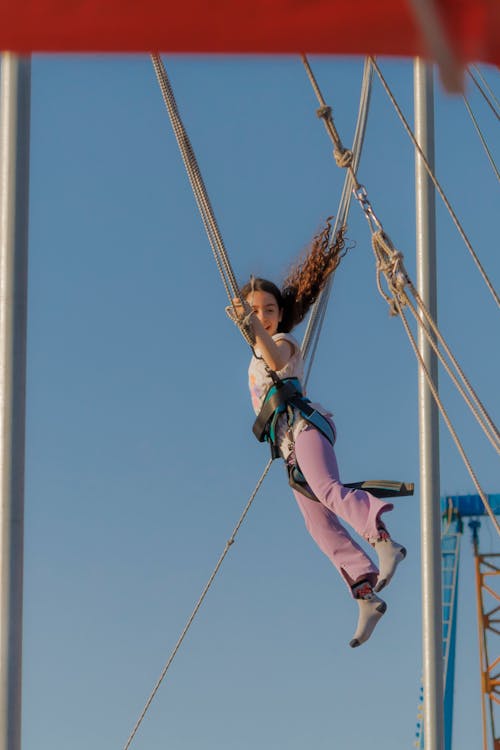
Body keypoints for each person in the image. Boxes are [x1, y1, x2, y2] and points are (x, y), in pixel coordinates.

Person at [232, 220, 406, 648]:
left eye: (268, 309)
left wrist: (256, 328)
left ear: (280, 314)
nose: (263, 316)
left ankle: (383, 541)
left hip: (307, 426)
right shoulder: (255, 352)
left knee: (328, 490)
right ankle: (364, 593)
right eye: (255, 311)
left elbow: (274, 357)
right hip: (289, 448)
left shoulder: (285, 341)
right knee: (318, 524)